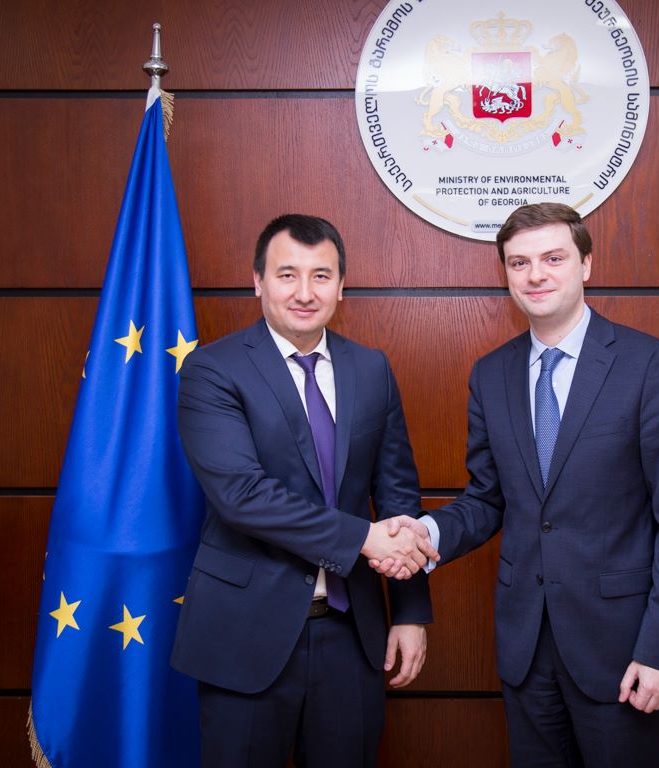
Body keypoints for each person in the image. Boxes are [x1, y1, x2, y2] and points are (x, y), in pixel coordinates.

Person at [382, 203, 659, 767]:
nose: (535, 275)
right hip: (526, 649)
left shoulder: (649, 365)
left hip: (624, 652)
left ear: (586, 264)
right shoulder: (491, 374)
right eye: (519, 263)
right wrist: (425, 533)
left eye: (553, 259)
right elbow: (488, 498)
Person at [172, 214, 438, 768]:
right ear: (258, 282)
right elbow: (242, 495)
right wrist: (363, 538)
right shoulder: (212, 370)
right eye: (287, 274)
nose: (304, 292)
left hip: (352, 634)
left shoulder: (371, 368)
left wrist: (410, 611)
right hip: (244, 635)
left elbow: (398, 495)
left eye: (321, 276)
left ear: (341, 286)